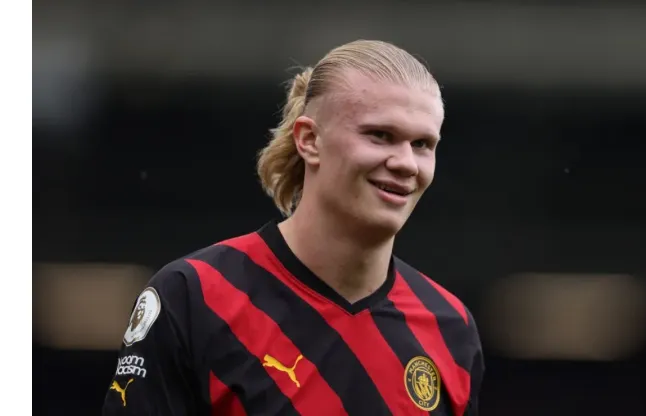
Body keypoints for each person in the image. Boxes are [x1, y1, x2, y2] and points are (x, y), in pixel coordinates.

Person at [102, 39, 485, 416]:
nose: (406, 163)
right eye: (380, 135)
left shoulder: (450, 327)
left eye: (422, 144)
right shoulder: (196, 297)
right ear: (309, 140)